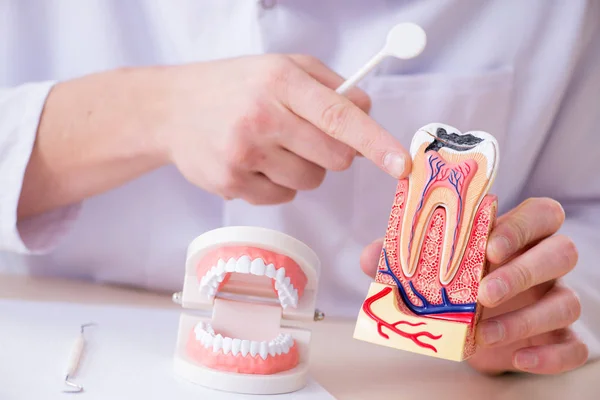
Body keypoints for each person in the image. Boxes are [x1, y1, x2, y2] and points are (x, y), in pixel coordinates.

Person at [0, 0, 598, 376]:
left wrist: (528, 304)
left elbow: (586, 209)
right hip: (65, 349)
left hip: (398, 379)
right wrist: (149, 108)